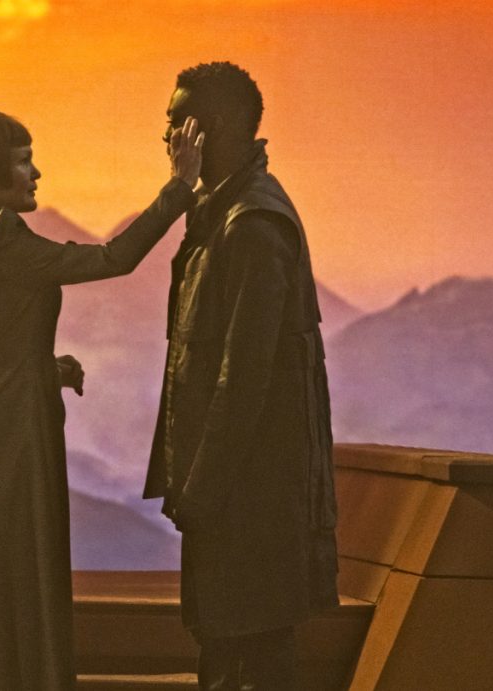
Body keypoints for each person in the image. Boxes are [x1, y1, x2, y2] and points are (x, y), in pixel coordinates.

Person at [0, 110, 202, 690]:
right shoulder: (9, 243)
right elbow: (114, 259)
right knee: (30, 573)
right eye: (24, 160)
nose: (36, 173)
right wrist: (180, 186)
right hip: (21, 433)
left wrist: (40, 365)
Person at [143, 62, 340, 690]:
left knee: (250, 660)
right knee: (226, 651)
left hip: (250, 503)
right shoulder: (220, 213)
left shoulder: (252, 225)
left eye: (178, 120)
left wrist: (199, 489)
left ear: (216, 126)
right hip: (231, 496)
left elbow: (243, 377)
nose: (167, 135)